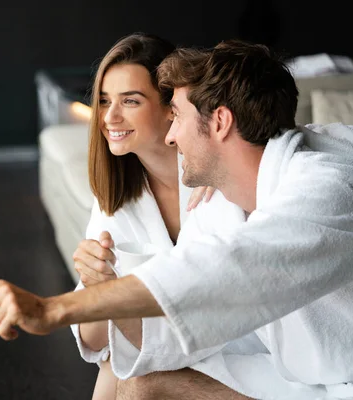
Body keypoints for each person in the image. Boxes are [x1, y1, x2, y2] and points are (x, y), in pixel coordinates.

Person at [0, 40, 353, 399]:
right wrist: (101, 292)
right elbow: (163, 332)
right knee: (137, 382)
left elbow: (233, 267)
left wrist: (52, 308)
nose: (170, 134)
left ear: (220, 122)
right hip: (299, 375)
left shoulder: (329, 185)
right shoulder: (230, 195)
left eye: (177, 116)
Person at [67, 33, 226, 400]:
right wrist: (98, 286)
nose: (110, 117)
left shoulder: (221, 174)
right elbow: (95, 343)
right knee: (117, 362)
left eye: (131, 101)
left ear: (172, 105)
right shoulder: (116, 197)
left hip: (233, 346)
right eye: (104, 101)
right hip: (163, 343)